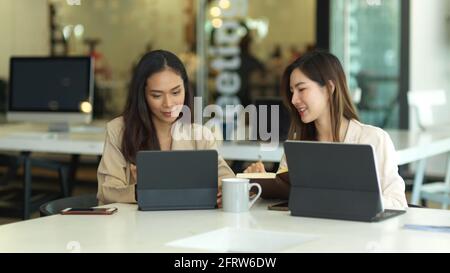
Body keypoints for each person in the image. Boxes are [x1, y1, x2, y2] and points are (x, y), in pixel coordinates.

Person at [244, 50, 407, 209]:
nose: (294, 100)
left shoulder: (373, 139)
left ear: (329, 88)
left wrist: (349, 199)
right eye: (292, 92)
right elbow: (288, 201)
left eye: (302, 89)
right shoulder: (297, 145)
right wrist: (263, 182)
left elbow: (398, 203)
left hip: (359, 235)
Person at [97, 50, 235, 205]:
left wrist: (231, 189)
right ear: (142, 95)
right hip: (136, 226)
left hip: (190, 226)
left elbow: (226, 182)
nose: (168, 104)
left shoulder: (199, 135)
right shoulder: (119, 131)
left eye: (176, 92)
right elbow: (106, 191)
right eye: (156, 95)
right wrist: (140, 190)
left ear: (185, 89)